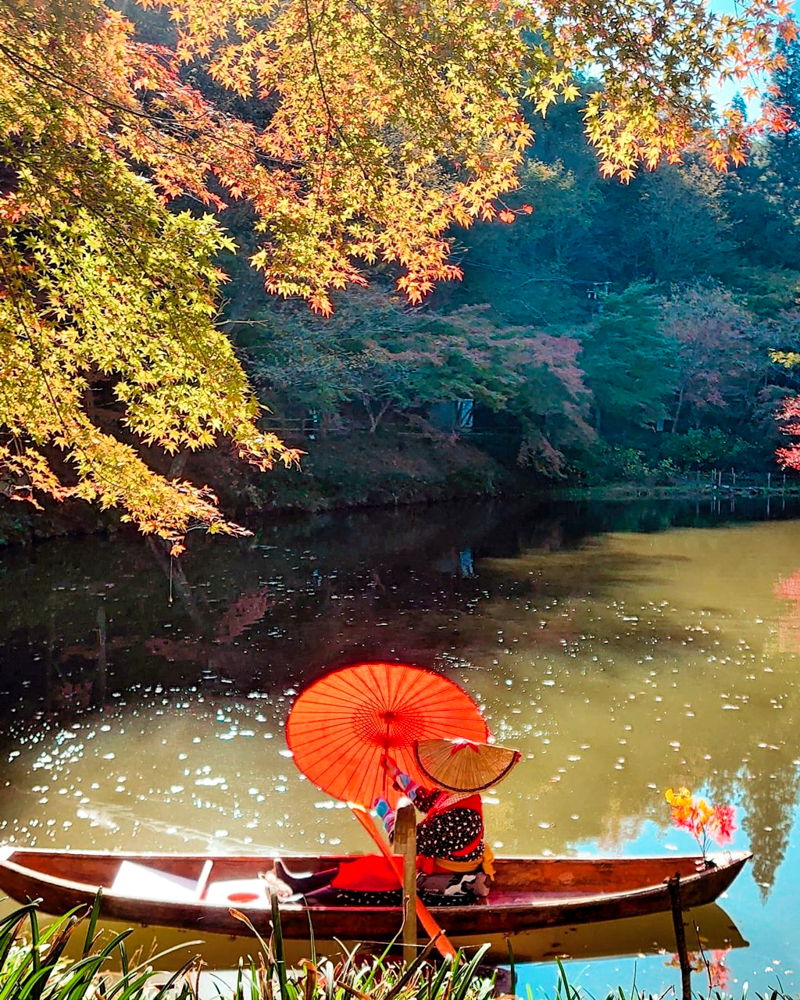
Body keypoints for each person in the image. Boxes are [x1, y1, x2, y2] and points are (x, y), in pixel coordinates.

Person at [272, 739, 520, 906]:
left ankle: (301, 905)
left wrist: (386, 813)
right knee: (368, 865)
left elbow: (405, 842)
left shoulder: (462, 818)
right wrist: (395, 774)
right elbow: (425, 800)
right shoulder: (458, 795)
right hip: (432, 865)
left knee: (368, 881)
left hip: (449, 887)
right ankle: (298, 884)